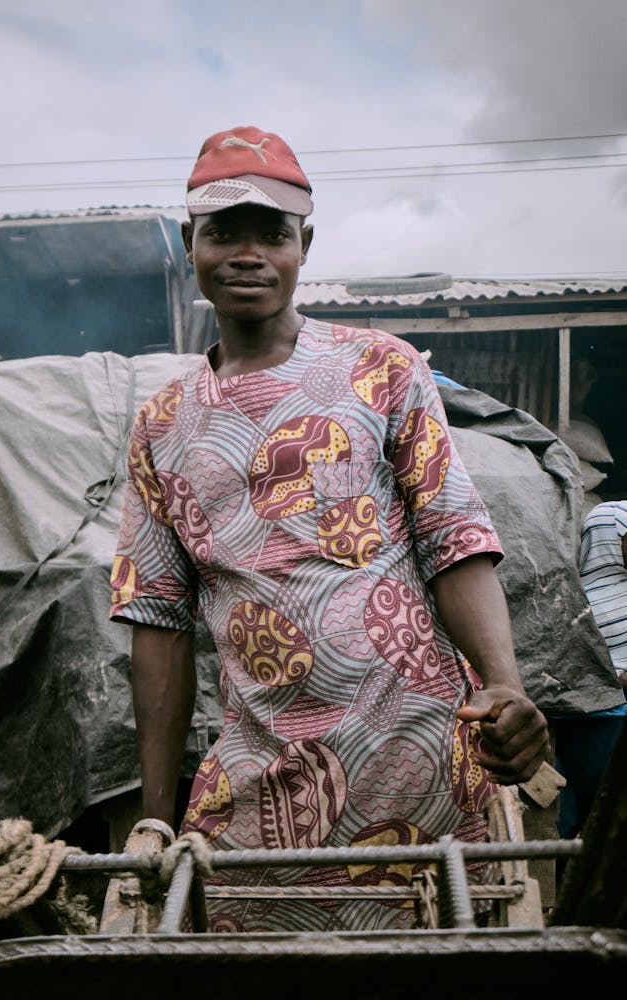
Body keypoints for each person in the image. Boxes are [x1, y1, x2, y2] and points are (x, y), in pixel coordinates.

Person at [109, 125, 549, 932]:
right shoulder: (162, 423)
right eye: (224, 232)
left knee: (443, 974)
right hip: (261, 772)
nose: (249, 253)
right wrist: (157, 816)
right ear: (190, 244)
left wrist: (504, 687)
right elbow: (158, 617)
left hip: (418, 754)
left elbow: (452, 536)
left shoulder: (381, 368)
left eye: (271, 232)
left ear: (303, 244)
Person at [552, 500, 627, 839]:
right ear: (607, 536)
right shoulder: (571, 595)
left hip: (613, 714)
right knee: (572, 808)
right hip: (586, 714)